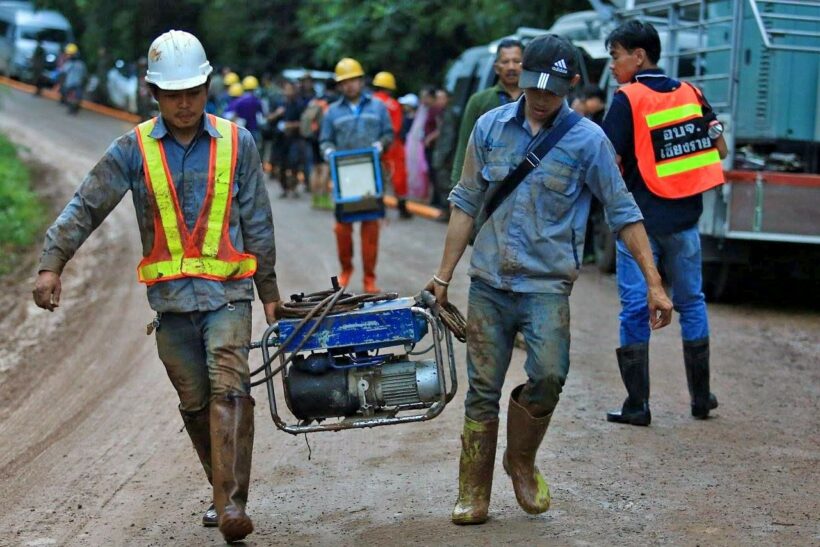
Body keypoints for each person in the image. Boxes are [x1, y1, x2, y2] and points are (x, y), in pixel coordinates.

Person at [31, 30, 280, 544]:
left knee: (229, 390)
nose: (184, 103)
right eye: (173, 94)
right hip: (169, 303)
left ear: (208, 87)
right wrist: (52, 262)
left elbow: (258, 221)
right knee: (194, 401)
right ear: (154, 95)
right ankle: (221, 488)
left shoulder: (239, 143)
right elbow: (87, 204)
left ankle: (231, 504)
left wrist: (269, 290)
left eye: (193, 91)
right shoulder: (131, 149)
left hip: (228, 297)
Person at [423, 34, 673, 525]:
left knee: (550, 376)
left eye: (552, 90)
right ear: (519, 78)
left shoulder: (589, 141)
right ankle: (473, 490)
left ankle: (521, 459)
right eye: (534, 86)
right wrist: (443, 276)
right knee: (482, 389)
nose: (540, 98)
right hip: (490, 284)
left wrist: (654, 282)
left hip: (546, 287)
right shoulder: (489, 127)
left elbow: (623, 213)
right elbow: (466, 202)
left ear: (572, 85)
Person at [602, 21, 728, 426]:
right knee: (692, 302)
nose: (611, 65)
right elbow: (719, 146)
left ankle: (637, 405)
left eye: (615, 55)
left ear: (638, 57)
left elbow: (605, 159)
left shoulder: (628, 98)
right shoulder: (690, 93)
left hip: (639, 225)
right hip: (685, 221)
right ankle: (700, 398)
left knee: (634, 308)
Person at [319, 57, 392, 293]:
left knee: (371, 229)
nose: (350, 85)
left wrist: (381, 145)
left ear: (361, 81)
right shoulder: (331, 113)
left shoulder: (378, 107)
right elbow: (325, 140)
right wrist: (328, 152)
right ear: (339, 85)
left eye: (354, 80)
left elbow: (388, 133)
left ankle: (369, 277)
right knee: (343, 229)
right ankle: (346, 270)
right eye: (345, 82)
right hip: (345, 179)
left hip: (371, 177)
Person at [450, 38, 524, 190]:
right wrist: (457, 186)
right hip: (487, 184)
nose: (511, 67)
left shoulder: (535, 102)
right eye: (505, 62)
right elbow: (465, 145)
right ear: (496, 67)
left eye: (517, 61)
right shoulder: (480, 101)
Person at [372, 70, 412, 219]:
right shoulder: (394, 105)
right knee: (398, 174)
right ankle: (402, 207)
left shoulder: (369, 101)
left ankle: (376, 206)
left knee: (374, 174)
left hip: (371, 144)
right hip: (392, 145)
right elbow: (396, 127)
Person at [223, 75, 266, 151]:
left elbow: (230, 116)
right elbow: (261, 119)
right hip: (254, 132)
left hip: (240, 133)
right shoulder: (258, 101)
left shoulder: (238, 102)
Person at [59, 43, 87, 114]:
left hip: (71, 83)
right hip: (77, 83)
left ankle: (72, 108)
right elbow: (84, 74)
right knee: (75, 97)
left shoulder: (70, 64)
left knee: (72, 96)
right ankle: (73, 108)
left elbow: (63, 72)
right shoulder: (81, 64)